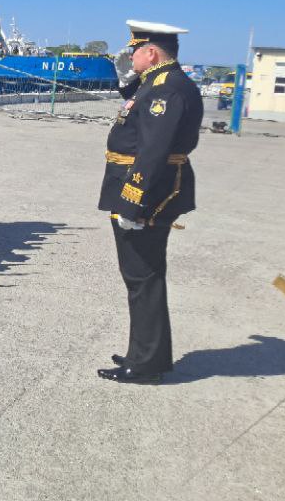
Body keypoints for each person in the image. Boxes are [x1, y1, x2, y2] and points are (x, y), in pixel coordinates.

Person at [96, 20, 203, 384]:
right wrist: (126, 77)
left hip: (149, 194)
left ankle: (145, 362)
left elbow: (154, 151)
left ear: (151, 52)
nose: (130, 56)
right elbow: (133, 107)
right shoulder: (156, 83)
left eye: (134, 51)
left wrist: (132, 203)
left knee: (143, 277)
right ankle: (145, 351)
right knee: (141, 277)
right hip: (143, 189)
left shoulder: (166, 89)